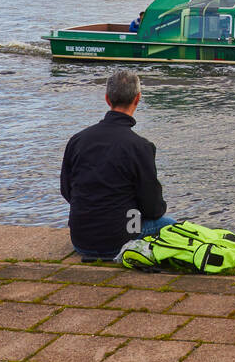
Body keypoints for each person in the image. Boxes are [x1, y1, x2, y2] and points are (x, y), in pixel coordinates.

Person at [60, 70, 176, 262]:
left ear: (107, 99)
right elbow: (153, 209)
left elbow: (66, 191)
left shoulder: (78, 140)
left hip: (80, 240)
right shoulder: (140, 147)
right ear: (137, 99)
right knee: (171, 225)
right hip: (120, 240)